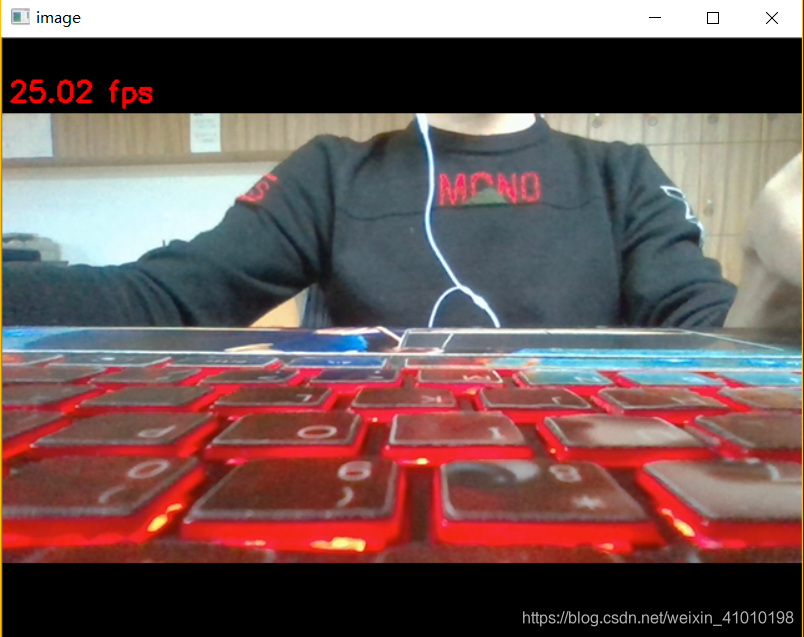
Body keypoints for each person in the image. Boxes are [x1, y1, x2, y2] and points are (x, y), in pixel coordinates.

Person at [2, 113, 801, 331]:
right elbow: (166, 299)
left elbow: (704, 331)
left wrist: (774, 284)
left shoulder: (621, 175)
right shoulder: (330, 172)